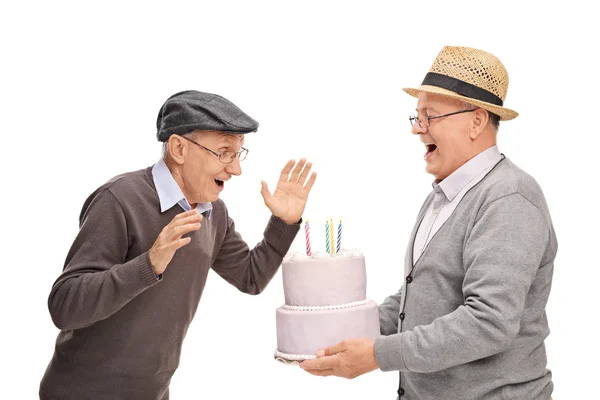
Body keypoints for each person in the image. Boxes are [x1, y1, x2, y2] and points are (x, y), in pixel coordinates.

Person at [300, 46, 556, 400]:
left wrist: (376, 355)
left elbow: (489, 323)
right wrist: (348, 332)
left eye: (430, 116)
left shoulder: (508, 197)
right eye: (416, 116)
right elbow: (421, 297)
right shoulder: (445, 194)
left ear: (477, 121)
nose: (417, 129)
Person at [39, 90, 317, 399]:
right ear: (179, 148)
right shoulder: (119, 200)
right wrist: (149, 264)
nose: (236, 168)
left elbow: (251, 278)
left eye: (239, 154)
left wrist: (284, 223)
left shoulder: (214, 213)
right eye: (224, 152)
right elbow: (64, 306)